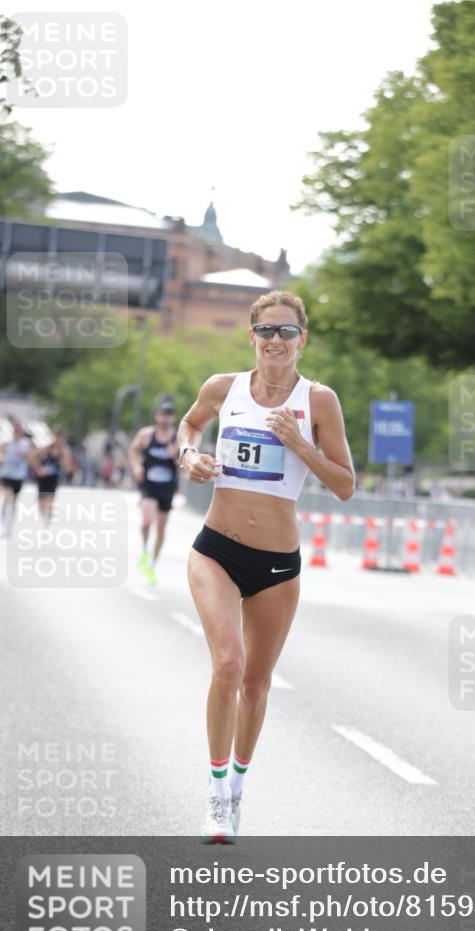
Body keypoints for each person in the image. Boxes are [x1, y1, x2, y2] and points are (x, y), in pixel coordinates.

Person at [176, 290, 355, 843]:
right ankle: (213, 792)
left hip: (278, 564)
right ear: (251, 336)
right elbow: (188, 427)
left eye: (287, 332)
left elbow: (346, 485)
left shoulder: (319, 400)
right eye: (267, 331)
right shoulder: (222, 388)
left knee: (256, 684)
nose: (276, 341)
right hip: (216, 550)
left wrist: (299, 443)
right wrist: (191, 458)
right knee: (227, 664)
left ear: (304, 339)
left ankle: (237, 789)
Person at [128, 400, 179, 586]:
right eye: (162, 414)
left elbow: (183, 464)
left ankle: (152, 564)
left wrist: (175, 456)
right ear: (157, 416)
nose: (165, 417)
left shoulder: (177, 438)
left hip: (166, 488)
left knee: (161, 529)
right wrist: (136, 466)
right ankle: (143, 550)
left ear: (173, 418)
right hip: (148, 485)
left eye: (169, 414)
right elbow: (132, 450)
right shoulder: (146, 435)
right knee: (147, 521)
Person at [30, 428, 72, 523]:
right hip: (43, 476)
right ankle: (43, 514)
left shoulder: (63, 450)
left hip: (54, 476)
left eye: (62, 438)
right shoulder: (47, 448)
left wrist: (67, 469)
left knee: (51, 497)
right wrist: (38, 469)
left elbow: (66, 465)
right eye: (58, 437)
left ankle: (48, 518)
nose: (60, 440)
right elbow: (33, 458)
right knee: (41, 500)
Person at [0, 421, 31, 537]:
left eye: (18, 431)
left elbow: (26, 455)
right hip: (7, 474)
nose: (16, 433)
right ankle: (4, 523)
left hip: (18, 475)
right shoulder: (8, 443)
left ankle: (10, 525)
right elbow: (0, 453)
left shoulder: (25, 443)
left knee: (14, 501)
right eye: (15, 431)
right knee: (8, 496)